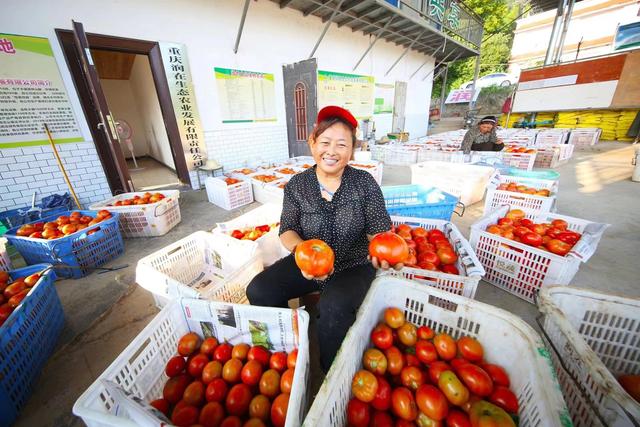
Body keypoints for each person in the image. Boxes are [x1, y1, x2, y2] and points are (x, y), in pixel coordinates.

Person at [246, 106, 401, 372]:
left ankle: (329, 375)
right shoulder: (297, 185)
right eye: (325, 142)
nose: (332, 151)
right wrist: (301, 252)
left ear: (352, 149)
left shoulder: (364, 183)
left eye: (342, 144)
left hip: (352, 264)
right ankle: (289, 348)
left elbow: (379, 230)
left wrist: (385, 253)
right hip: (308, 259)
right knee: (259, 289)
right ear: (312, 143)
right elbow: (288, 230)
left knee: (333, 309)